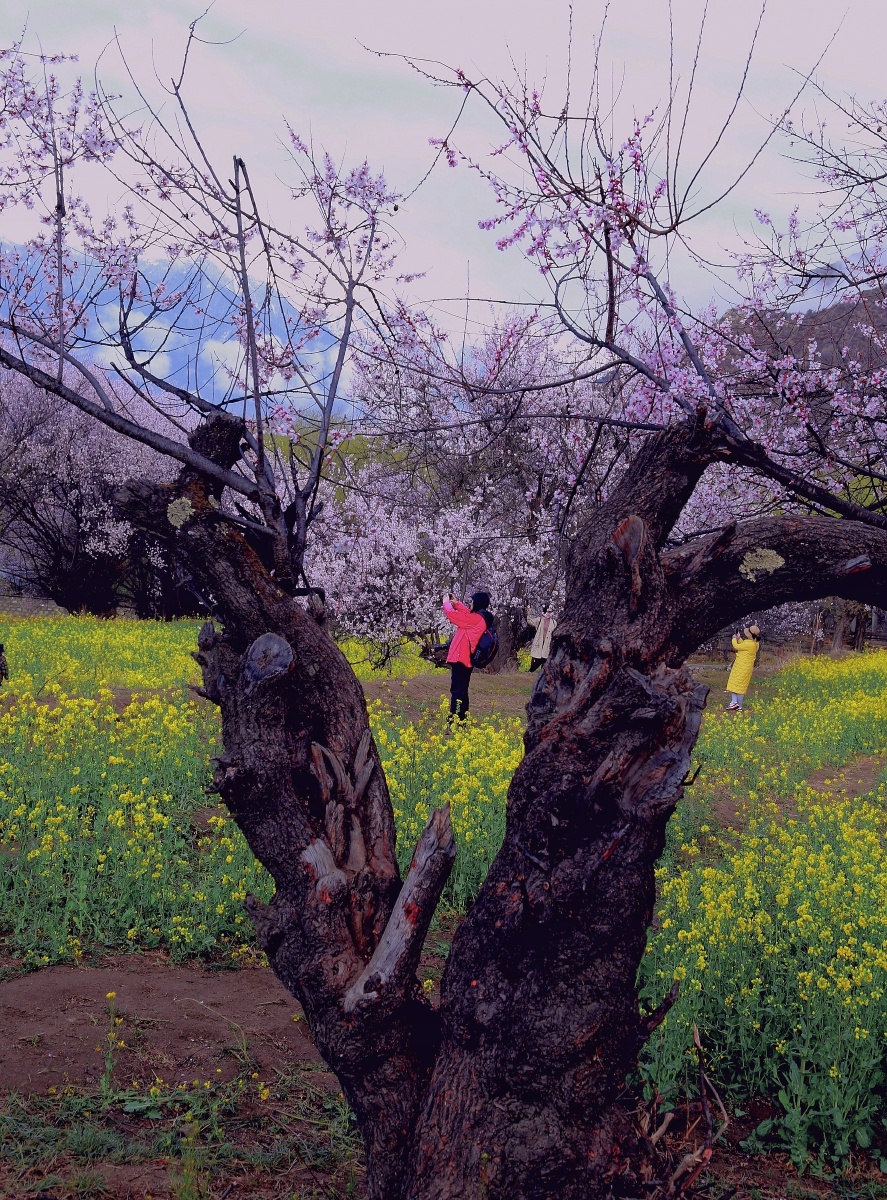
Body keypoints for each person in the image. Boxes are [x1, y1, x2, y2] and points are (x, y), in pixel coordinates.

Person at [442, 590, 493, 720]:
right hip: (464, 659)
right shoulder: (479, 617)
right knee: (461, 690)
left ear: (477, 603)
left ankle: (456, 719)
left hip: (462, 659)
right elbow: (466, 613)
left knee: (458, 691)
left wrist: (446, 604)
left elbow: (453, 616)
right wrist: (456, 603)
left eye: (472, 602)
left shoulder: (475, 619)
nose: (470, 604)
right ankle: (462, 719)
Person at [726, 625, 760, 711]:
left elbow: (737, 647)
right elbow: (743, 646)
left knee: (733, 684)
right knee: (741, 687)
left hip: (741, 667)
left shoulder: (749, 644)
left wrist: (734, 638)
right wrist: (739, 638)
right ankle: (738, 706)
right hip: (746, 668)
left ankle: (734, 703)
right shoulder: (755, 643)